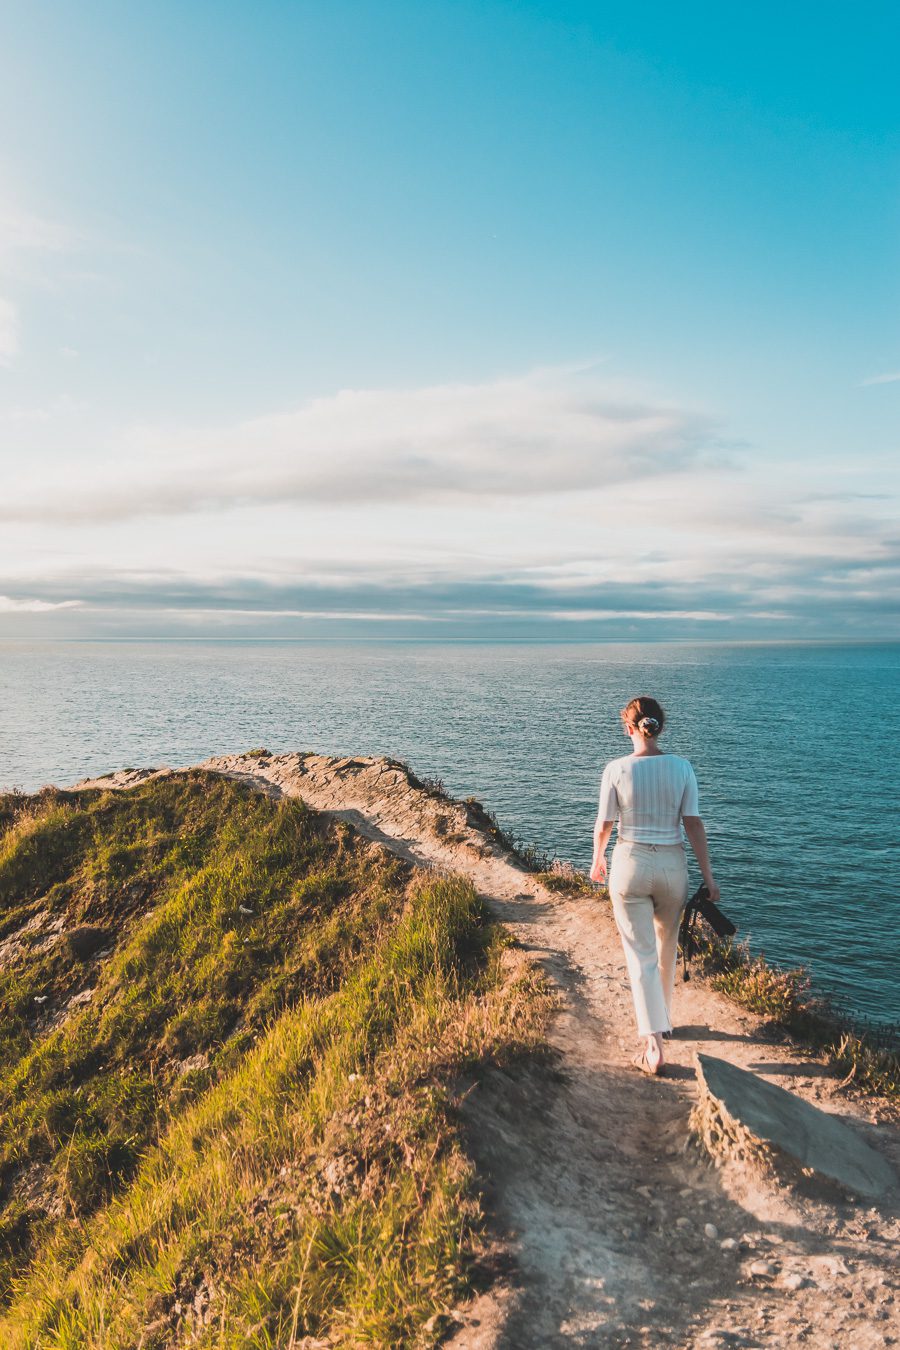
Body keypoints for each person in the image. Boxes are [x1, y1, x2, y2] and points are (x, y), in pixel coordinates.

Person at [590, 695, 719, 1076]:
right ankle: (662, 1022)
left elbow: (604, 824)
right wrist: (709, 877)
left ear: (628, 729)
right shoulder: (682, 768)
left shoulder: (615, 769)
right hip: (672, 866)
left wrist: (598, 857)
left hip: (630, 863)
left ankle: (654, 1045)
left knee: (640, 956)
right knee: (667, 947)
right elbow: (693, 825)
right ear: (660, 727)